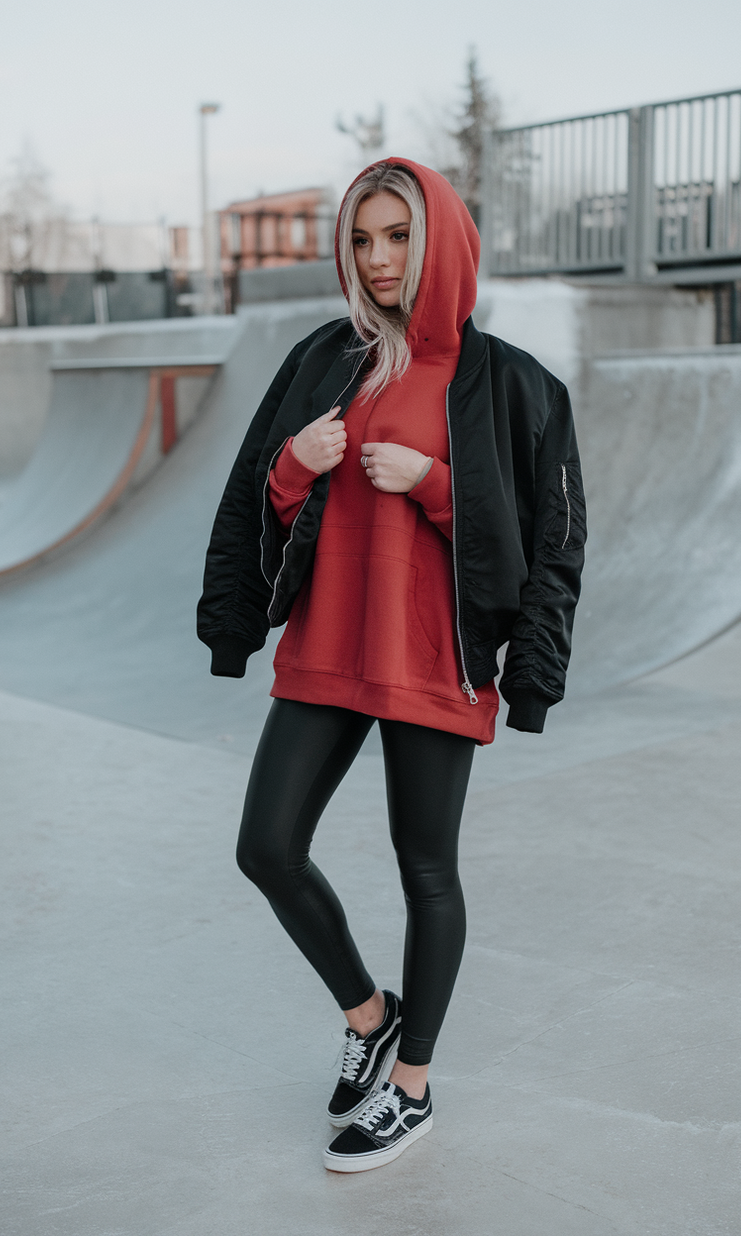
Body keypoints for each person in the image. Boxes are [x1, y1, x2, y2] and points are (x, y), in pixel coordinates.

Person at [197, 158, 586, 1172]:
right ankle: (368, 1014)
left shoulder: (506, 381)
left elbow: (543, 545)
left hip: (429, 659)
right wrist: (295, 467)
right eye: (361, 239)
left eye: (397, 236)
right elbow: (258, 499)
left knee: (427, 871)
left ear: (438, 238)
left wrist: (436, 483)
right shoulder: (321, 361)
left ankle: (410, 1086)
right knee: (265, 848)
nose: (376, 259)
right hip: (327, 645)